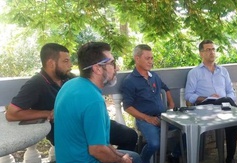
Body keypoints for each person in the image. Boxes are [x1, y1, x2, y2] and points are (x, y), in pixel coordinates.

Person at [5, 43, 138, 151]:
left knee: (130, 136)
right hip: (65, 132)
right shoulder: (36, 84)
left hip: (86, 122)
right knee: (96, 148)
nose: (70, 65)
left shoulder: (68, 78)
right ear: (51, 63)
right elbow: (11, 114)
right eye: (66, 61)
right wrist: (47, 113)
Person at [121, 44, 182, 163]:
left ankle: (174, 155)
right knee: (154, 144)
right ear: (137, 59)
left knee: (187, 129)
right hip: (145, 120)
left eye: (152, 58)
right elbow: (127, 107)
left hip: (163, 117)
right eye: (147, 58)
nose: (151, 61)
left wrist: (171, 104)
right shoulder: (130, 81)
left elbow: (165, 88)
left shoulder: (154, 76)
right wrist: (147, 118)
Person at [185, 39, 237, 163]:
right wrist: (207, 98)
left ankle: (230, 159)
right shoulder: (194, 72)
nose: (212, 52)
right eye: (208, 50)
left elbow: (230, 92)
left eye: (213, 49)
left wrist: (225, 100)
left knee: (231, 121)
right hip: (205, 106)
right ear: (201, 53)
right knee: (234, 118)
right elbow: (189, 95)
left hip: (224, 106)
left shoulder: (223, 71)